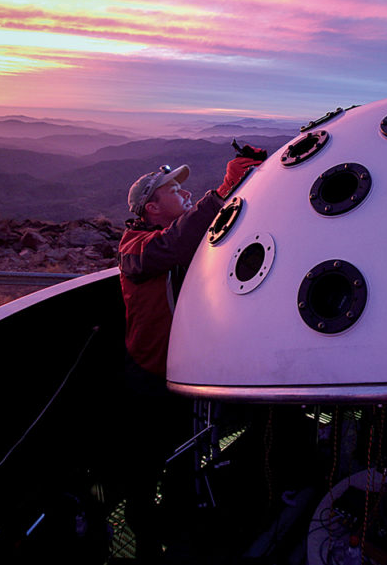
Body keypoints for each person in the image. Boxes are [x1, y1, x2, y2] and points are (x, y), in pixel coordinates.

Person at [117, 148, 263, 560]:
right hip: (148, 375)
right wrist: (221, 191)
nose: (183, 192)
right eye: (173, 189)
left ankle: (180, 524)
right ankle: (144, 538)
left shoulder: (172, 237)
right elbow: (173, 246)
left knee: (185, 452)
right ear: (151, 206)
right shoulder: (134, 248)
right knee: (146, 463)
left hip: (181, 368)